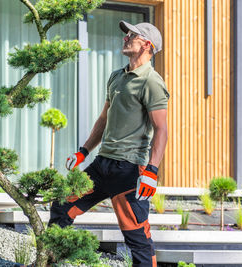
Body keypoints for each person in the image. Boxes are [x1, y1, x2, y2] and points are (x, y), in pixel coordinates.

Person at [49, 20, 169, 267]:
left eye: (132, 35)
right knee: (62, 206)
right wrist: (83, 151)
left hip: (128, 170)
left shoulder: (152, 81)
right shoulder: (117, 76)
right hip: (101, 164)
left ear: (147, 44)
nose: (125, 38)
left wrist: (151, 171)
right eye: (126, 34)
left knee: (136, 235)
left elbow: (161, 129)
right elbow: (103, 119)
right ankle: (47, 263)